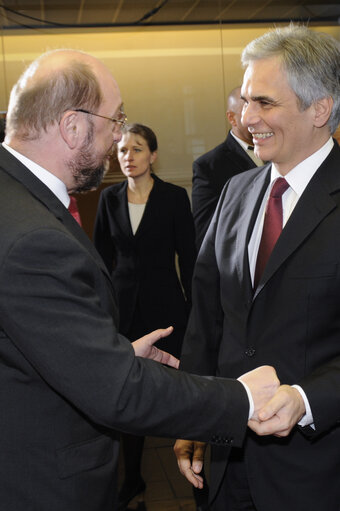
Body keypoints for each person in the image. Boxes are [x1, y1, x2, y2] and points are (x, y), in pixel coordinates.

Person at [0, 48, 280, 511]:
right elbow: (119, 392)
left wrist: (108, 356)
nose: (118, 137)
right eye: (116, 120)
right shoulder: (32, 237)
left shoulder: (17, 199)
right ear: (72, 127)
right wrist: (241, 399)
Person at [175, 24, 340, 511]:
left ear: (320, 109)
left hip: (316, 473)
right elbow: (207, 322)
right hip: (225, 467)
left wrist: (308, 399)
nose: (247, 119)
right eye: (246, 102)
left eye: (264, 103)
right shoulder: (237, 192)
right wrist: (193, 418)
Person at [93, 123, 196, 509]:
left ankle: (192, 462)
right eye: (122, 151)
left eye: (136, 150)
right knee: (128, 392)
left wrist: (194, 310)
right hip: (124, 311)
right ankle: (133, 477)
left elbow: (188, 257)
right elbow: (100, 259)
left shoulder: (173, 198)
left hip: (168, 307)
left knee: (181, 390)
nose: (128, 157)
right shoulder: (109, 198)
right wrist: (102, 310)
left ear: (152, 155)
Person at [192, 86, 263, 249]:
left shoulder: (279, 153)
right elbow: (205, 233)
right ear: (231, 118)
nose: (257, 120)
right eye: (247, 111)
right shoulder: (209, 166)